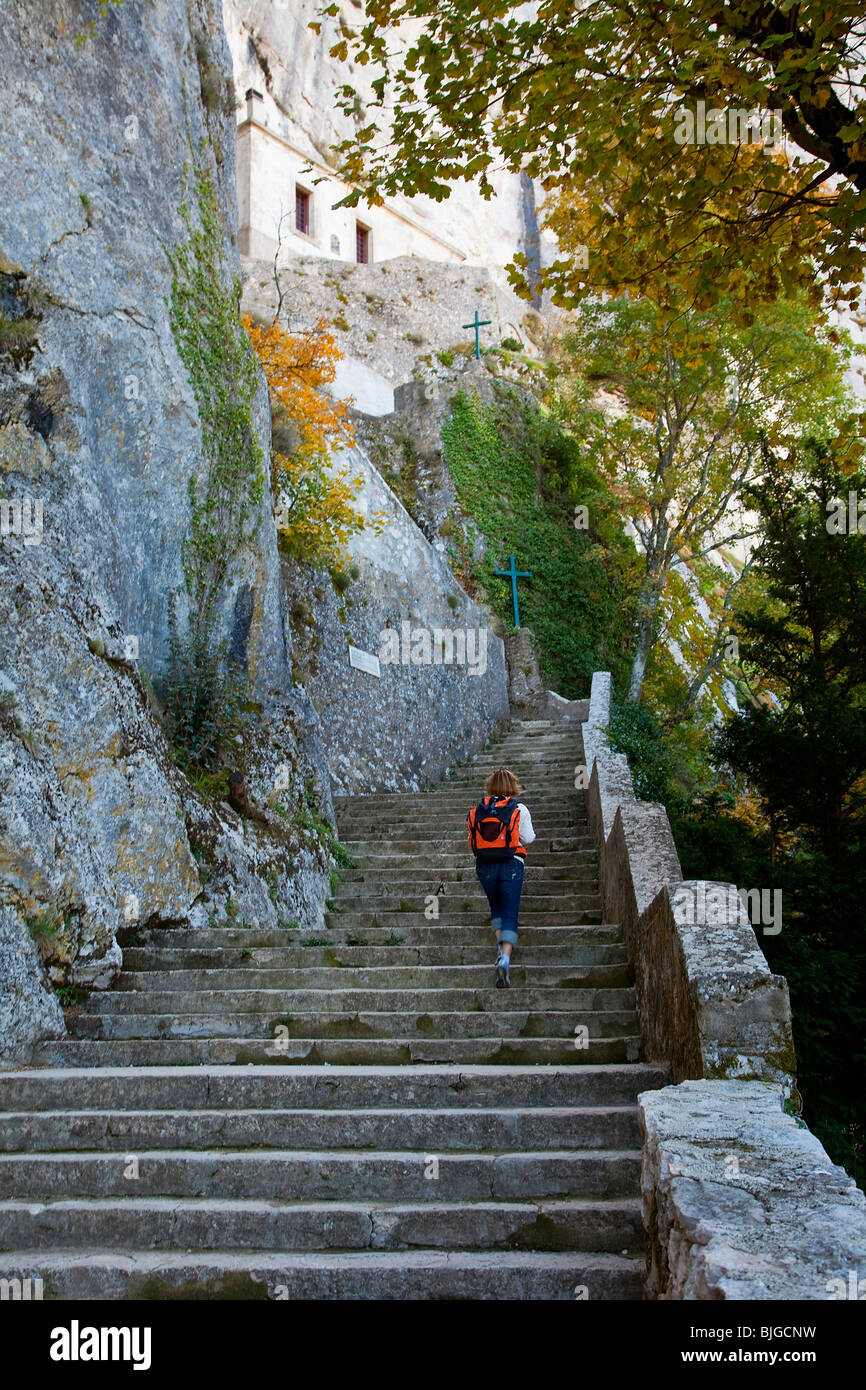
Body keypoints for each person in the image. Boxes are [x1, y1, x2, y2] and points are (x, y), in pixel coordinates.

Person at [466, 767, 536, 988]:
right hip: (511, 864)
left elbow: (472, 840)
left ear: (490, 785)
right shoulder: (519, 809)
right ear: (513, 787)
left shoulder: (480, 810)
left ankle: (501, 944)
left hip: (485, 866)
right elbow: (528, 838)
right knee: (509, 912)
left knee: (496, 908)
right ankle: (505, 958)